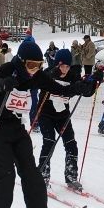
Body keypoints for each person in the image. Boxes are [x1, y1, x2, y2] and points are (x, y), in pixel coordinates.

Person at [0, 40, 100, 208]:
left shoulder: (36, 76)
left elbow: (59, 89)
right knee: (5, 173)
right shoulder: (7, 70)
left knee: (32, 174)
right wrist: (1, 86)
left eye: (39, 65)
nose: (34, 70)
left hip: (16, 126)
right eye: (31, 65)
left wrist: (80, 87)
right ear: (21, 61)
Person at [37, 48, 87, 191]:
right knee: (49, 142)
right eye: (62, 66)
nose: (65, 69)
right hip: (45, 114)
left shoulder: (72, 76)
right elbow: (40, 81)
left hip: (62, 115)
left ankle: (71, 176)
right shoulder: (49, 73)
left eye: (67, 66)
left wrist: (93, 81)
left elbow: (85, 90)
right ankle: (42, 175)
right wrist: (53, 75)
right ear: (57, 64)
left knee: (71, 144)